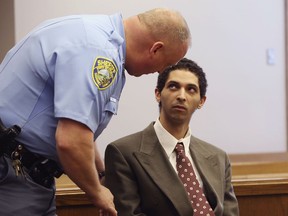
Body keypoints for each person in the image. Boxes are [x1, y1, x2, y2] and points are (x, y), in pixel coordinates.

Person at [0, 8, 191, 216]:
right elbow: (71, 141)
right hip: (13, 177)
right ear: (155, 49)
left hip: (28, 176)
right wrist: (97, 192)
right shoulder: (100, 54)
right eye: (167, 64)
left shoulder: (95, 35)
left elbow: (81, 127)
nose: (161, 72)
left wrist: (101, 174)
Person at [104, 58, 239, 216]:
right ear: (158, 94)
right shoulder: (123, 152)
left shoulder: (218, 157)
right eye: (174, 86)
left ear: (201, 101)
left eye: (191, 89)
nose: (182, 96)